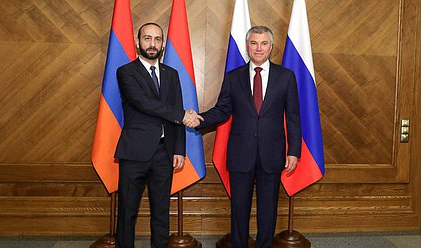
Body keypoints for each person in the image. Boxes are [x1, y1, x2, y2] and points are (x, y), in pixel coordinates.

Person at [194, 26, 302, 248]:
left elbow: (293, 117)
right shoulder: (234, 77)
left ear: (271, 47)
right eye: (254, 43)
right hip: (240, 154)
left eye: (263, 43)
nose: (258, 48)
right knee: (239, 210)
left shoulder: (286, 77)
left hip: (272, 154)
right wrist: (199, 119)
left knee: (268, 209)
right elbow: (223, 110)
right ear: (247, 46)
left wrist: (294, 151)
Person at [114, 22, 202, 248]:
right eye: (147, 38)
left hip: (164, 153)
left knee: (162, 211)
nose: (152, 44)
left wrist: (179, 149)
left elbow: (176, 107)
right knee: (127, 212)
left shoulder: (171, 74)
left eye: (157, 39)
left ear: (162, 44)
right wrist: (183, 115)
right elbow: (145, 104)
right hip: (134, 153)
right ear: (137, 42)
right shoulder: (126, 72)